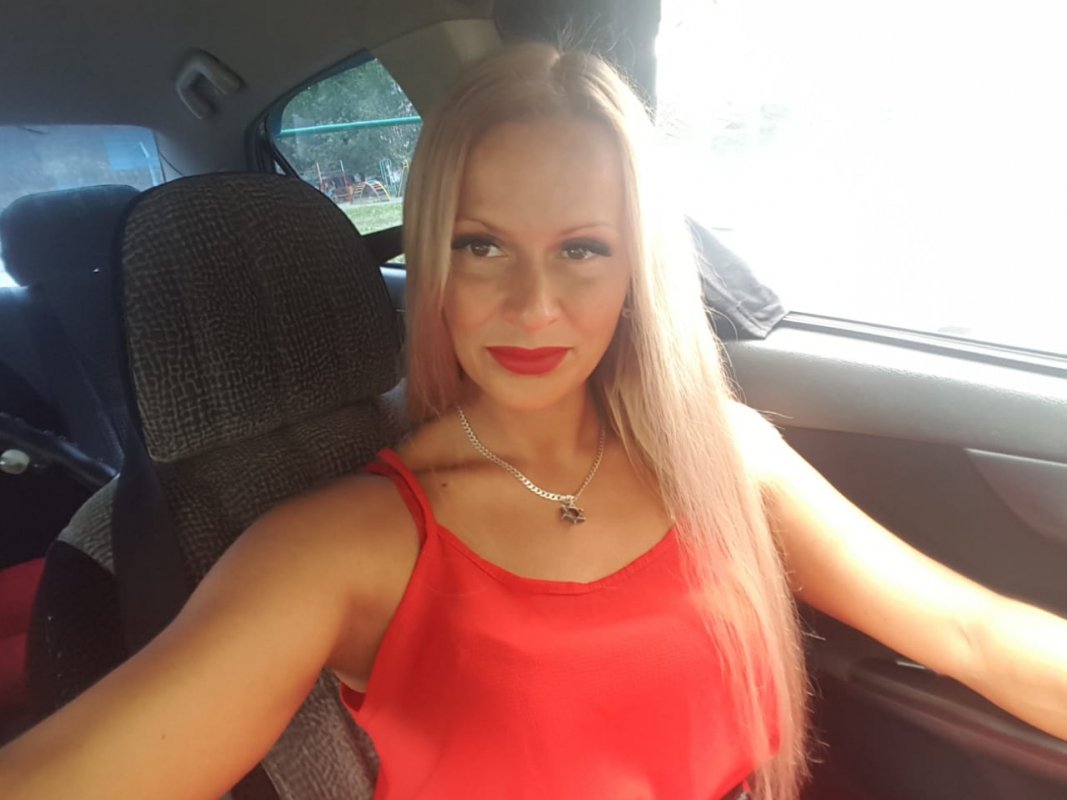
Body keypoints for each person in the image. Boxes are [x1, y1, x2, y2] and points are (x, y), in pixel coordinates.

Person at [2, 42, 1066, 800]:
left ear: (636, 269)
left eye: (581, 249)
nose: (532, 306)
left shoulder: (726, 462)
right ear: (431, 262)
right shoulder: (338, 545)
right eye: (481, 246)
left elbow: (969, 633)